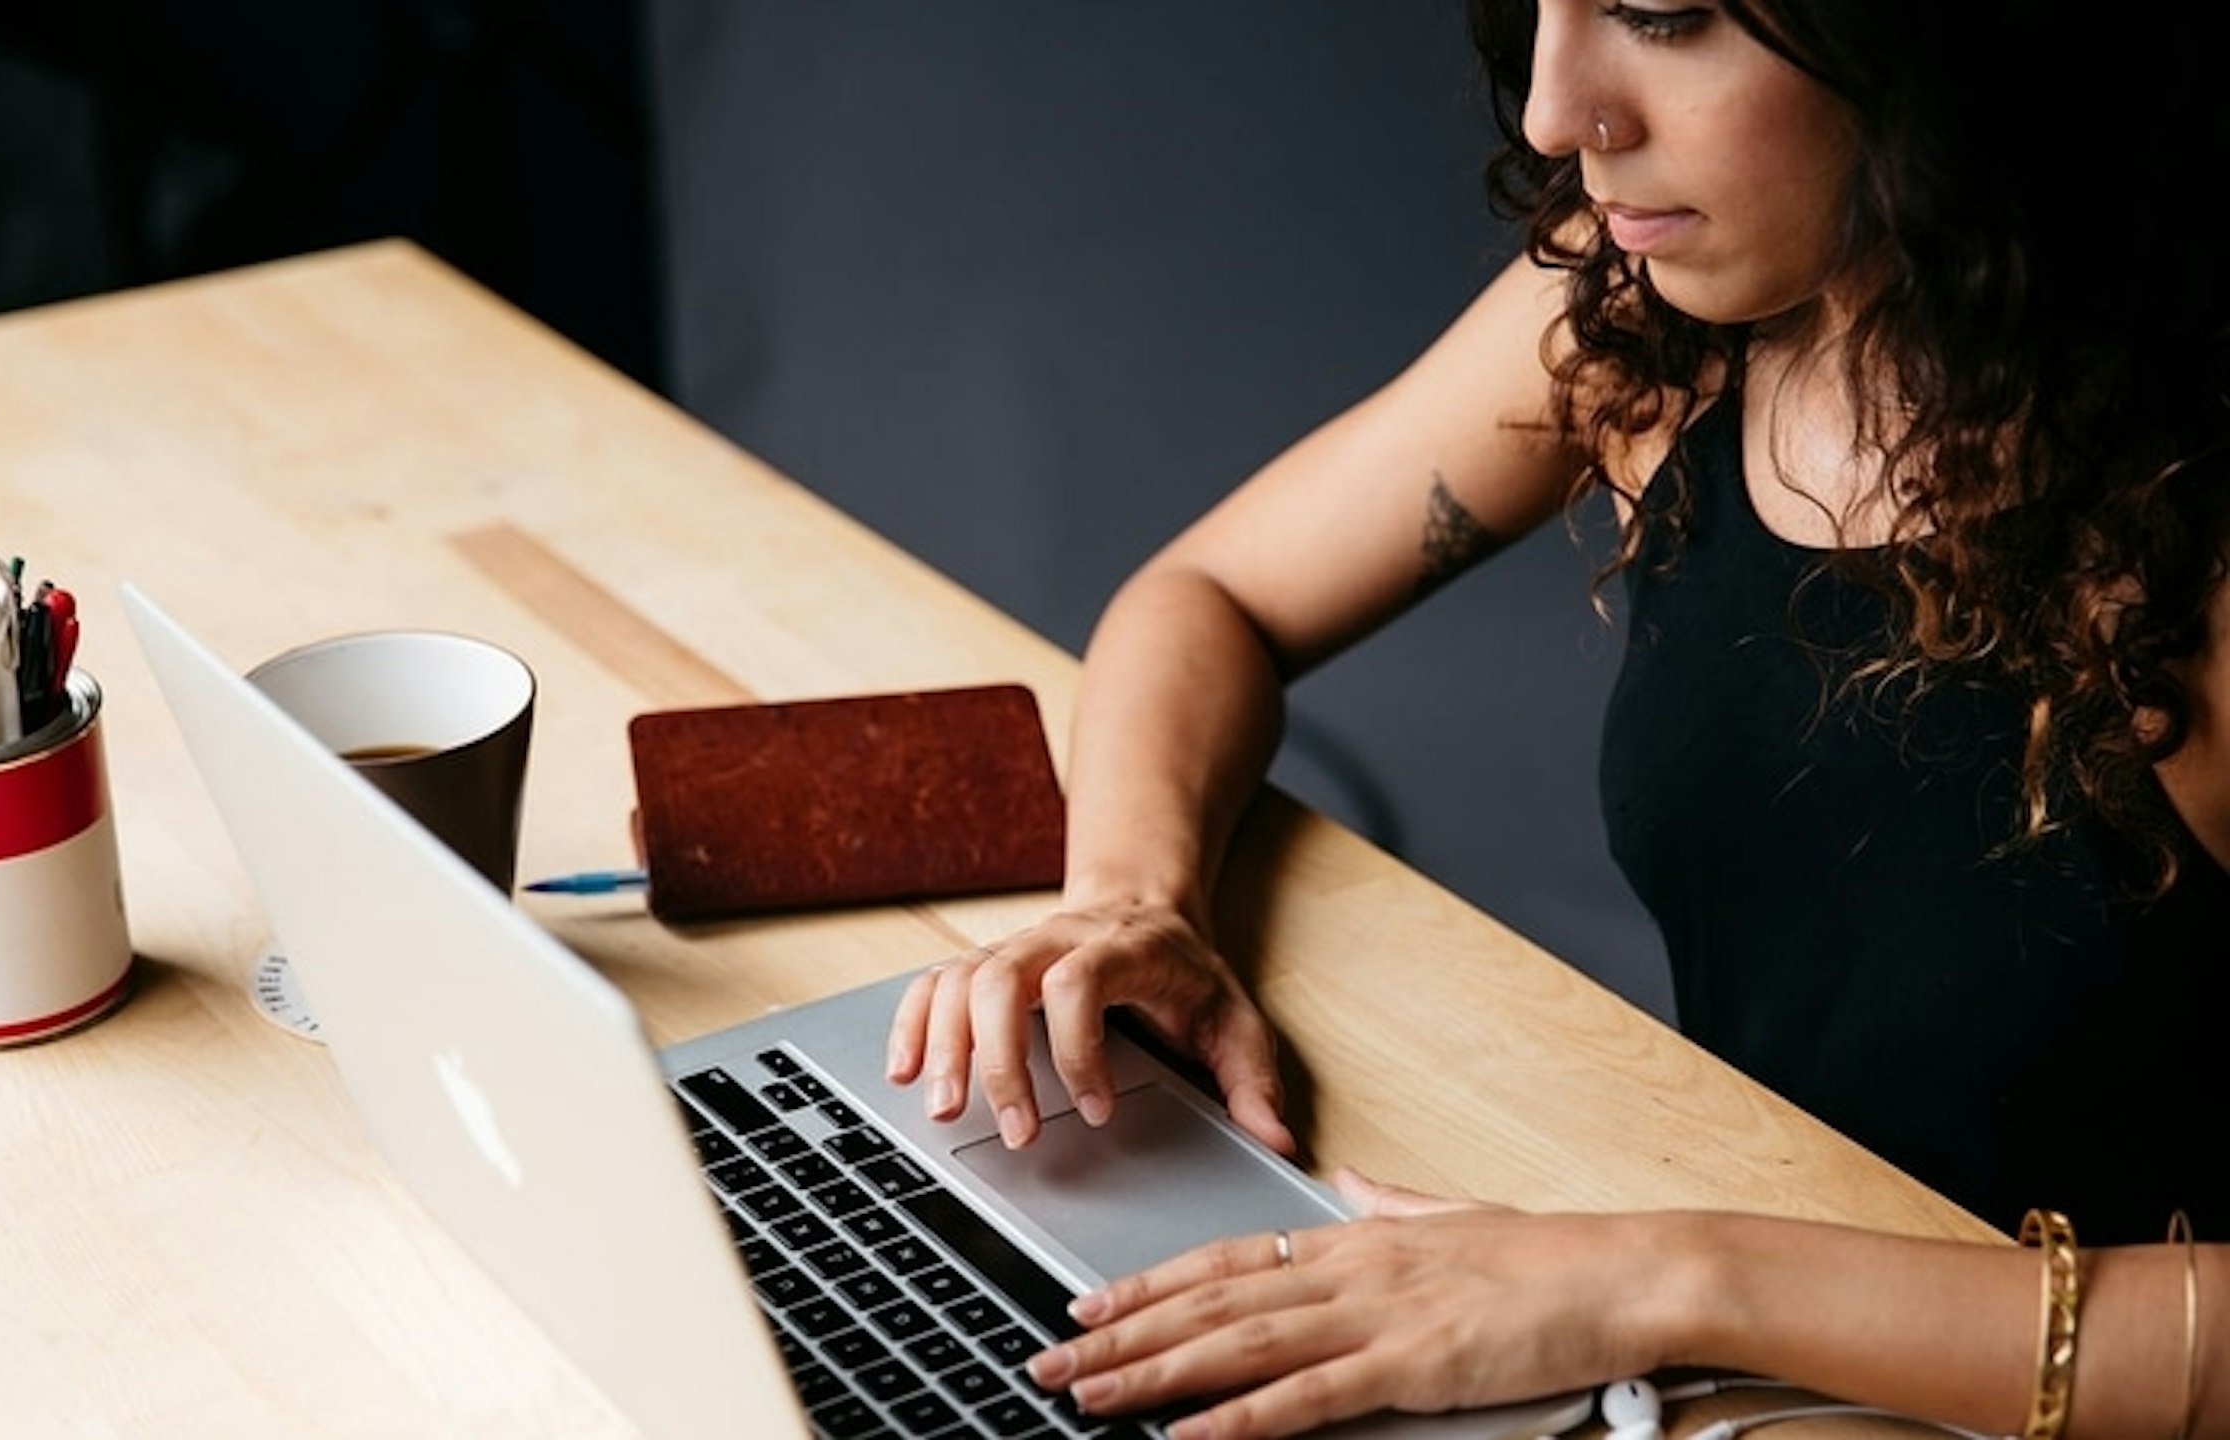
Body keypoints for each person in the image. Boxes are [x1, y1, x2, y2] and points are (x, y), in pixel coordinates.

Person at [885, 2, 2230, 1436]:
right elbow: (1213, 592)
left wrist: (1662, 1277)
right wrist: (1131, 905)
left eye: (1661, 15)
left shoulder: (2188, 534)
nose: (1552, 107)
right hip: (1724, 1352)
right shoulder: (1648, 324)